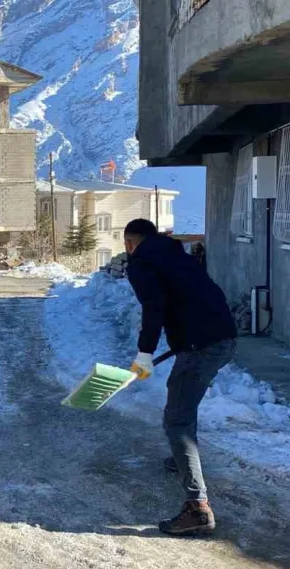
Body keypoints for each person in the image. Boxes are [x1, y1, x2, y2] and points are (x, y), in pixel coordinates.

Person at [124, 219, 237, 535]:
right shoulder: (178, 255)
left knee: (177, 420)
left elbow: (153, 307)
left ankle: (197, 508)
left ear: (129, 244)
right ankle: (182, 458)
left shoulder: (141, 263)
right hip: (225, 337)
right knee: (182, 399)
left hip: (201, 347)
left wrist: (145, 352)